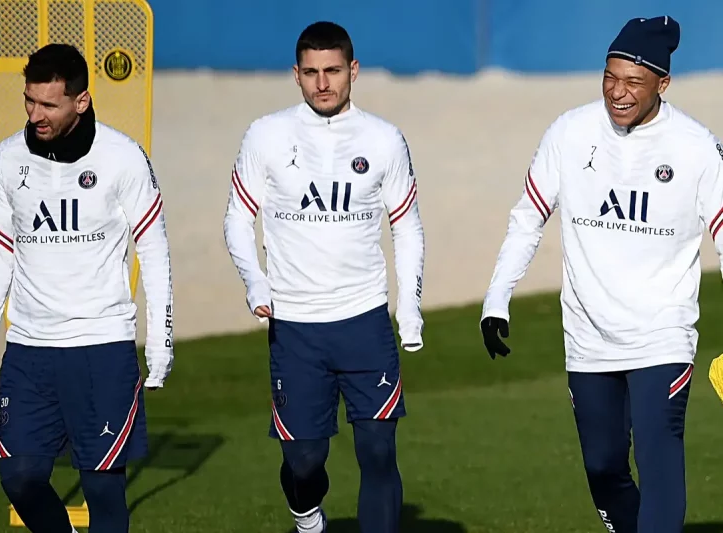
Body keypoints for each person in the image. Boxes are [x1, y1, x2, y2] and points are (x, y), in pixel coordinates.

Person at [480, 15, 723, 533]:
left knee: (659, 463)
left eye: (633, 81)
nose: (617, 92)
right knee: (603, 468)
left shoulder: (697, 148)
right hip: (587, 338)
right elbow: (528, 217)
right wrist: (497, 297)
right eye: (610, 77)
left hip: (662, 335)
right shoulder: (569, 132)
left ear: (663, 83)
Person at [223, 21, 425, 533]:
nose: (322, 83)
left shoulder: (384, 139)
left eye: (332, 70)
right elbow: (237, 219)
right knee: (305, 460)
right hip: (295, 327)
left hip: (364, 321)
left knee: (378, 451)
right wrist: (255, 282)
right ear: (296, 74)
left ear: (353, 70)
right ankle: (307, 516)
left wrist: (409, 307)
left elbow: (407, 227)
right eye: (311, 72)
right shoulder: (266, 135)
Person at [0, 43, 173, 533]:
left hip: (102, 347)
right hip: (29, 349)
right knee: (20, 478)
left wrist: (161, 339)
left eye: (48, 104)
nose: (35, 114)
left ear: (81, 101)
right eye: (29, 101)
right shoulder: (5, 160)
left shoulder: (123, 157)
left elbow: (155, 251)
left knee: (102, 490)